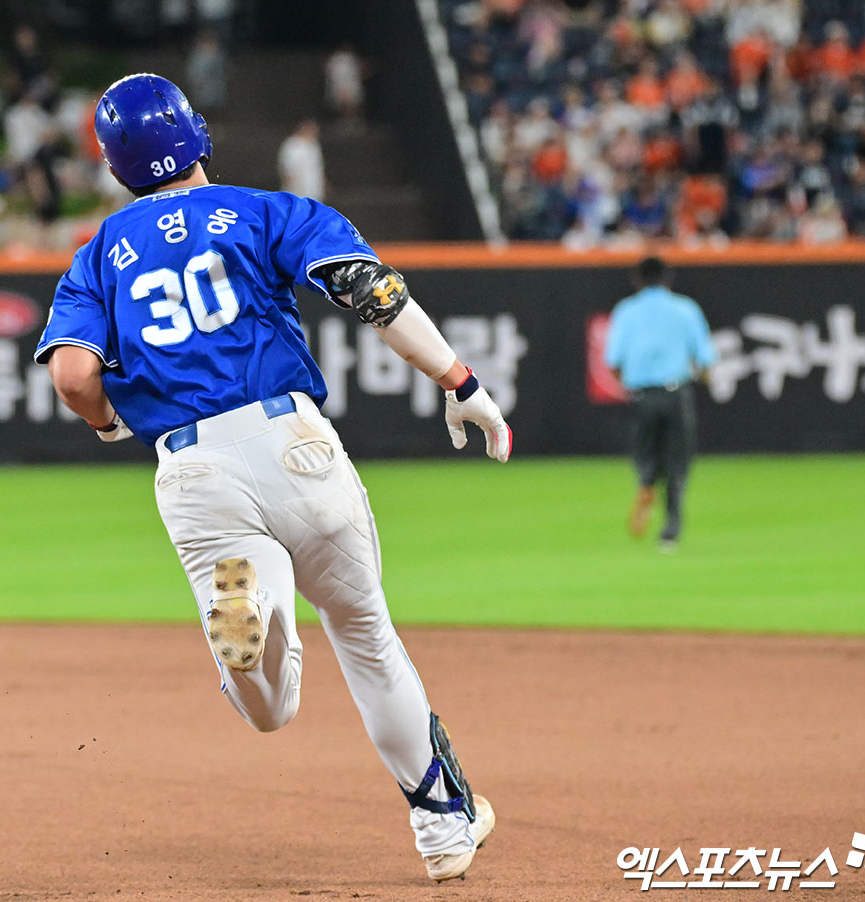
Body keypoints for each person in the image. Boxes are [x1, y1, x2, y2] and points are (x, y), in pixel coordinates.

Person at [35, 74, 511, 882]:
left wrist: (111, 423)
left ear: (116, 166)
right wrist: (460, 382)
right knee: (365, 638)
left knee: (271, 711)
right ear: (197, 134)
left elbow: (73, 377)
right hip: (292, 442)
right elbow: (371, 291)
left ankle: (251, 620)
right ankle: (441, 828)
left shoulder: (97, 256)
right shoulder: (263, 211)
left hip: (191, 470)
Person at [604, 256, 716, 551]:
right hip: (676, 393)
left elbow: (613, 362)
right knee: (678, 461)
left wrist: (630, 387)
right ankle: (671, 528)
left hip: (642, 395)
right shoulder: (685, 309)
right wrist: (704, 381)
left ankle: (647, 481)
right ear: (668, 278)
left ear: (637, 279)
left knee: (645, 453)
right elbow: (705, 359)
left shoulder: (626, 311)